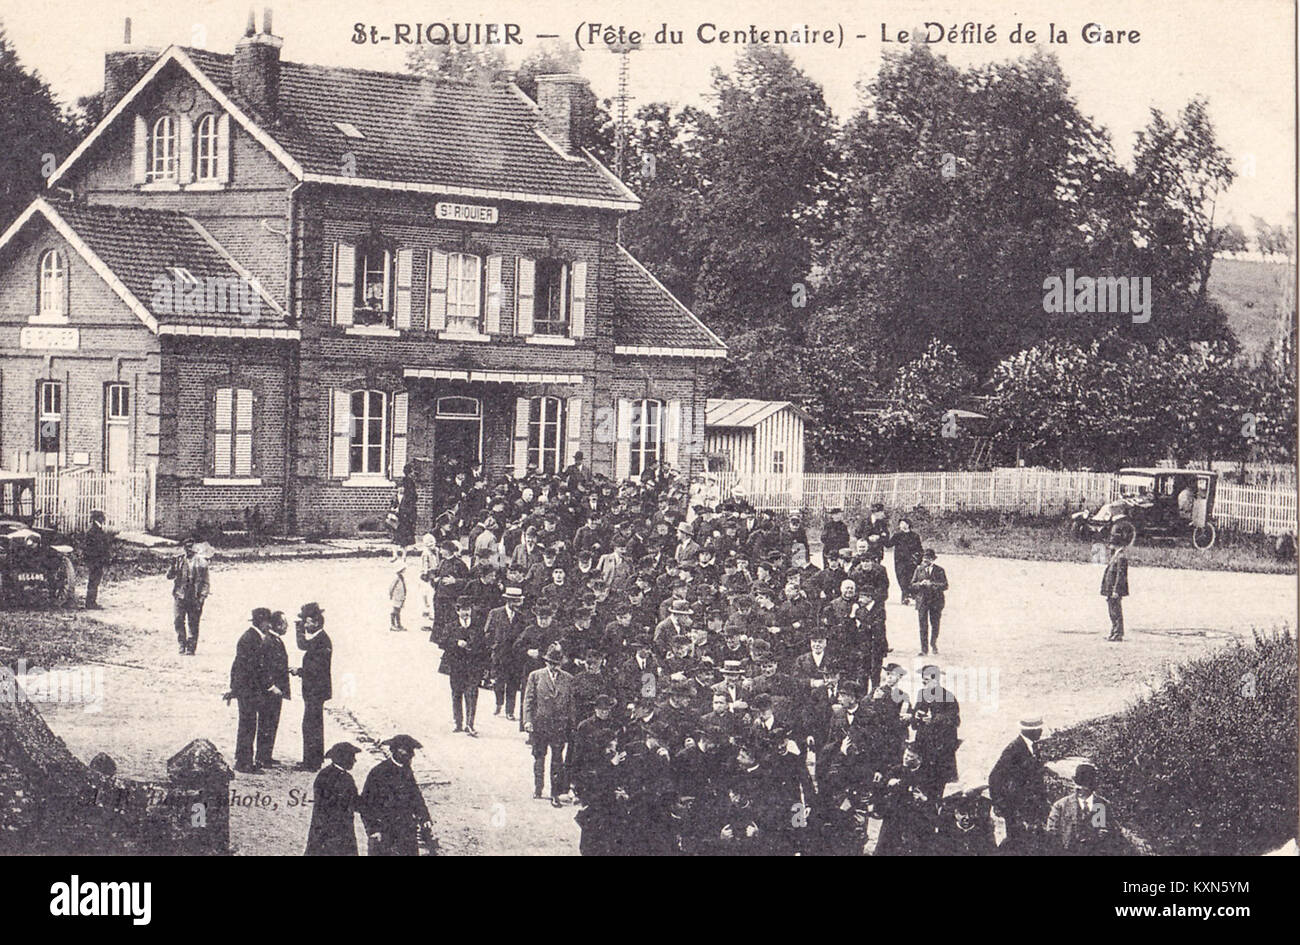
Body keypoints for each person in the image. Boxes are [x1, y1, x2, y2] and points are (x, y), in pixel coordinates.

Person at [360, 734, 434, 856]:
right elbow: (366, 803)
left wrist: (424, 816)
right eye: (405, 750)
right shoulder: (378, 773)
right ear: (394, 750)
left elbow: (416, 796)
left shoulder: (406, 770)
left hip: (406, 830)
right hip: (384, 831)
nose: (410, 754)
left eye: (411, 751)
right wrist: (373, 829)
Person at [523, 643, 576, 806]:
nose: (553, 667)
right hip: (540, 723)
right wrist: (528, 720)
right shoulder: (535, 676)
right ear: (546, 662)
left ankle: (555, 792)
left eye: (556, 664)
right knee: (539, 756)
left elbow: (571, 704)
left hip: (559, 726)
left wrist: (571, 725)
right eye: (550, 663)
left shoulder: (568, 679)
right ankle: (538, 788)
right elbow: (529, 700)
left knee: (557, 759)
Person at [988, 716, 1050, 853]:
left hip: (1030, 806)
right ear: (1030, 731)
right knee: (1018, 842)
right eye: (1038, 729)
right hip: (1016, 808)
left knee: (1030, 842)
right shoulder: (1014, 749)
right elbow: (994, 777)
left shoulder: (1033, 746)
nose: (1041, 732)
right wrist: (1000, 804)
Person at [227, 607, 276, 773]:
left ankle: (244, 760)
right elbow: (255, 668)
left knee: (248, 725)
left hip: (246, 689)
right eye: (268, 622)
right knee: (248, 725)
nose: (270, 626)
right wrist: (270, 686)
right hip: (248, 690)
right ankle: (244, 763)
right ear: (263, 622)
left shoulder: (252, 636)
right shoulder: (252, 639)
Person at [1046, 762, 1123, 855]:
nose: (1080, 790)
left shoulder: (1102, 805)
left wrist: (1105, 836)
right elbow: (1051, 834)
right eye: (1079, 785)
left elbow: (1114, 835)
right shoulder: (1061, 806)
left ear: (1093, 786)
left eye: (1085, 786)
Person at [292, 602, 332, 771]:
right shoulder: (321, 638)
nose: (306, 625)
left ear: (316, 622)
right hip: (317, 690)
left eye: (307, 622)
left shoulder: (320, 640)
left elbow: (305, 650)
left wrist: (299, 671)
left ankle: (311, 762)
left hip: (315, 690)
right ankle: (313, 760)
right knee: (313, 724)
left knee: (311, 725)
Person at [305, 742, 362, 856]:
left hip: (336, 829)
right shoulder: (329, 777)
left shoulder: (335, 775)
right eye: (352, 757)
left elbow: (354, 801)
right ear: (343, 758)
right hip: (330, 831)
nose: (354, 761)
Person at [441, 595, 486, 735]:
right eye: (463, 610)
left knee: (472, 694)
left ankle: (470, 724)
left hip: (473, 666)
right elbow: (442, 642)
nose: (466, 612)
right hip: (456, 667)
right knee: (456, 694)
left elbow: (484, 646)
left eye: (468, 609)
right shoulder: (451, 626)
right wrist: (456, 643)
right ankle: (458, 723)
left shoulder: (478, 625)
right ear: (457, 611)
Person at [487, 586, 527, 719]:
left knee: (513, 683)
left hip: (515, 656)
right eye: (515, 601)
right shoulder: (495, 613)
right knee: (498, 682)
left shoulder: (522, 617)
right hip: (499, 654)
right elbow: (488, 632)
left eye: (518, 601)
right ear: (508, 601)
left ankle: (510, 711)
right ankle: (499, 702)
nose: (517, 605)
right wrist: (494, 646)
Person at [257, 611, 291, 768]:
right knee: (267, 723)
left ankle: (266, 755)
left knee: (271, 723)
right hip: (271, 691)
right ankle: (262, 757)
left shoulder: (275, 640)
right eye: (284, 624)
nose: (286, 627)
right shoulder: (270, 641)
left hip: (276, 690)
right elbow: (264, 668)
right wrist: (271, 686)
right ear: (276, 625)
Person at [167, 537, 209, 655]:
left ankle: (191, 647)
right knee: (178, 620)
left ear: (195, 547)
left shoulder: (201, 563)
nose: (189, 549)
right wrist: (172, 567)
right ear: (184, 548)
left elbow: (206, 582)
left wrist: (202, 597)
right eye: (186, 547)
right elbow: (169, 576)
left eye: (191, 546)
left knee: (193, 622)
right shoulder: (179, 561)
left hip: (194, 596)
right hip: (180, 595)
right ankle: (181, 644)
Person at [910, 548, 948, 656]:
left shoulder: (940, 570)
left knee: (935, 624)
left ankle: (933, 643)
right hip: (922, 601)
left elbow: (945, 585)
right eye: (924, 558)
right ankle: (924, 648)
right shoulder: (918, 570)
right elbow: (912, 585)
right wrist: (920, 584)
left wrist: (932, 584)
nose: (926, 560)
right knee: (923, 625)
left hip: (936, 601)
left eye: (929, 558)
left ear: (933, 559)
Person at [886, 517, 923, 604]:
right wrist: (884, 536)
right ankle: (906, 595)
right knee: (901, 578)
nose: (902, 526)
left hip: (911, 561)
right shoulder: (897, 536)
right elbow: (888, 545)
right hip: (900, 561)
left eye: (904, 523)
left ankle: (906, 596)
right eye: (900, 524)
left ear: (908, 524)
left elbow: (920, 549)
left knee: (910, 578)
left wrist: (918, 559)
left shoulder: (915, 536)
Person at [83, 509, 113, 609]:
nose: (104, 518)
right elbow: (96, 547)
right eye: (102, 516)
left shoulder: (96, 529)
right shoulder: (93, 530)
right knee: (94, 581)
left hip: (96, 560)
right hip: (95, 560)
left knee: (95, 580)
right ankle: (90, 603)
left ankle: (91, 601)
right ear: (98, 518)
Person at [1101, 536, 1129, 642]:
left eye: (1111, 544)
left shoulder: (1121, 557)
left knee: (1116, 611)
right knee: (1112, 611)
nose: (1109, 546)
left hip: (1114, 589)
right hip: (1110, 588)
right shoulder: (1116, 555)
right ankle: (1114, 632)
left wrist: (1116, 590)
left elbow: (1120, 576)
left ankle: (1118, 633)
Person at [388, 553, 408, 631]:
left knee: (398, 610)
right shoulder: (396, 578)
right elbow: (391, 587)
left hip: (401, 597)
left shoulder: (401, 577)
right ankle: (393, 625)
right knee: (395, 610)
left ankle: (398, 625)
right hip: (397, 596)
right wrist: (390, 594)